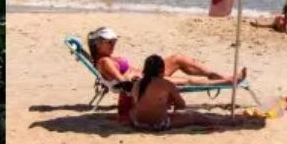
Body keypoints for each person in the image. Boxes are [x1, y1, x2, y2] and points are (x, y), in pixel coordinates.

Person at [87, 27, 247, 87]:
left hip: (146, 74)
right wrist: (133, 78)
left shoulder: (105, 57)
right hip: (147, 81)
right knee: (187, 81)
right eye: (109, 42)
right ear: (98, 44)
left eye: (114, 41)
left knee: (178, 58)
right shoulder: (104, 61)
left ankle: (217, 75)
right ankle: (227, 81)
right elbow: (123, 83)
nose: (113, 44)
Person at [130, 55, 248, 131]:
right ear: (162, 71)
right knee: (195, 116)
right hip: (159, 124)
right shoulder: (166, 84)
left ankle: (226, 80)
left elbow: (138, 103)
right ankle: (224, 121)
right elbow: (181, 105)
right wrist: (168, 104)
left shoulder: (137, 83)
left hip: (138, 122)